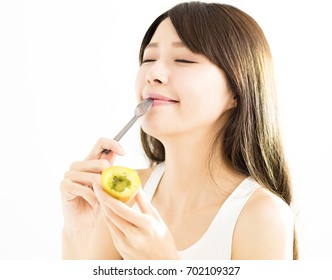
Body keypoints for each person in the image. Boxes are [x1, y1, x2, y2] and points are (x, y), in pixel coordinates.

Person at [60, 1, 298, 260]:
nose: (153, 73)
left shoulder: (262, 215)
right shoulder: (122, 195)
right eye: (149, 58)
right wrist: (79, 231)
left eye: (183, 59)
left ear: (237, 91)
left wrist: (164, 266)